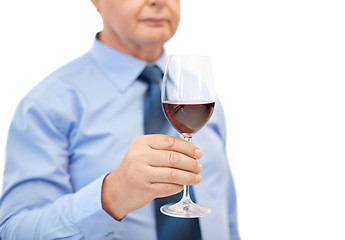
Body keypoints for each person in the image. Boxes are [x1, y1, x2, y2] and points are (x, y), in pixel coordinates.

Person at [0, 0, 240, 239]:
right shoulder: (48, 104)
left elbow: (225, 216)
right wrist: (111, 195)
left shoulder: (201, 95)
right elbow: (12, 230)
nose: (157, 1)